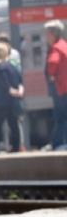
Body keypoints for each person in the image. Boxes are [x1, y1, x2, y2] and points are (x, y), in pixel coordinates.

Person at [0, 43, 25, 154]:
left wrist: (11, 91)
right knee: (13, 125)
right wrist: (19, 91)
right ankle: (16, 147)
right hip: (12, 101)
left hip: (1, 101)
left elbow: (4, 83)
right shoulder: (12, 66)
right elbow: (19, 80)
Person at [44, 20, 67, 150]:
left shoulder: (56, 48)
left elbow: (52, 64)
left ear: (53, 34)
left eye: (47, 34)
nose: (46, 37)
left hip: (61, 88)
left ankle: (58, 143)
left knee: (60, 117)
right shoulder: (64, 45)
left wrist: (51, 76)